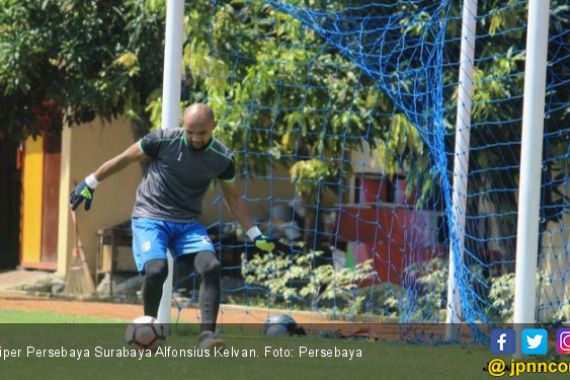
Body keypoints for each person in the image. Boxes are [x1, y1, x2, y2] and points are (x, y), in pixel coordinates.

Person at [70, 103, 276, 350]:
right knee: (157, 271)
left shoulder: (222, 158)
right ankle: (148, 328)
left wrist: (254, 233)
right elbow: (124, 159)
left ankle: (207, 337)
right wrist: (91, 182)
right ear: (183, 125)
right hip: (150, 216)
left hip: (187, 224)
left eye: (202, 133)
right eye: (190, 132)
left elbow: (233, 197)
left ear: (214, 127)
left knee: (211, 266)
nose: (196, 138)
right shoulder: (163, 140)